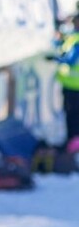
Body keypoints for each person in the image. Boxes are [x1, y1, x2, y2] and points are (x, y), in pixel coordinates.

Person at [49, 12, 79, 145]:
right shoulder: (73, 37)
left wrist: (54, 58)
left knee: (72, 116)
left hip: (73, 87)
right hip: (73, 86)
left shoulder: (76, 40)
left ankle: (73, 145)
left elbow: (70, 60)